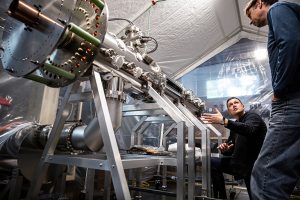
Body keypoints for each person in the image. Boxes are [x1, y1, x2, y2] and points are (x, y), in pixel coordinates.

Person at [245, 0, 300, 199]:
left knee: (267, 177)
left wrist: (279, 88)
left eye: (249, 15)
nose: (250, 22)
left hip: (290, 100)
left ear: (258, 3)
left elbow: (291, 42)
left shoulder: (278, 8)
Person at [201, 97, 267, 199]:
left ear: (243, 106)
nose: (234, 105)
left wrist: (224, 121)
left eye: (236, 102)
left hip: (254, 166)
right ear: (229, 111)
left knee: (256, 196)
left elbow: (249, 129)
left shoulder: (253, 117)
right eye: (230, 105)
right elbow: (231, 148)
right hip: (239, 164)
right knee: (212, 162)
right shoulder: (235, 126)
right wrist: (226, 149)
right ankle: (222, 197)